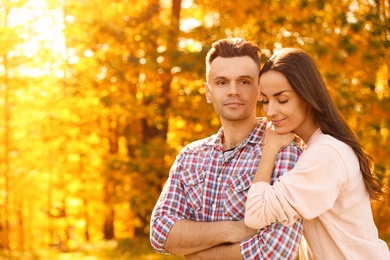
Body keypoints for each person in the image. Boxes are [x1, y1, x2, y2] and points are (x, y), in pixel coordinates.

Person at [150, 38, 304, 259]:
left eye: (244, 82)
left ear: (260, 90)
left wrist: (197, 253)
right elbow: (160, 233)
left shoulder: (284, 151)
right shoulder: (190, 157)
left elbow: (274, 252)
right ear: (208, 91)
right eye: (222, 82)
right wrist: (238, 229)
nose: (233, 91)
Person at [244, 47, 390, 259]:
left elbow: (256, 213)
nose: (270, 112)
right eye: (265, 100)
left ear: (307, 96)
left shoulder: (326, 154)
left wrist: (270, 150)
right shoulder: (315, 149)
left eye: (282, 99)